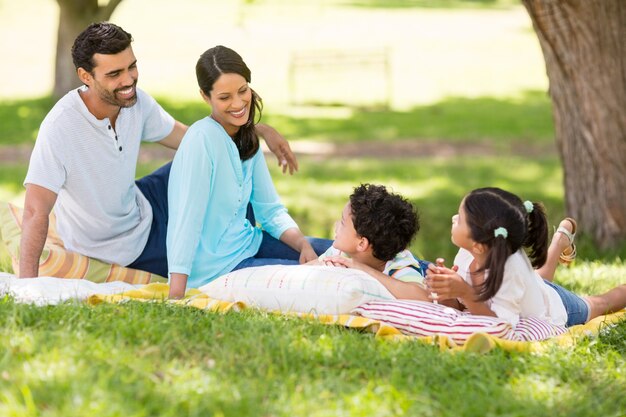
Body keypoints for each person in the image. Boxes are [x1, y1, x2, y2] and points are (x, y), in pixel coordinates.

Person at [19, 22, 297, 279]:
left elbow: (197, 141)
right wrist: (27, 286)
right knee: (210, 261)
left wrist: (259, 130)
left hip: (143, 201)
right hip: (121, 243)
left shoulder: (135, 102)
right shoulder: (61, 128)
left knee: (224, 162)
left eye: (132, 67)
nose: (129, 80)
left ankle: (255, 238)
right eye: (115, 74)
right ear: (85, 76)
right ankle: (250, 259)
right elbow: (34, 210)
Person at [167, 45, 332, 299]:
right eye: (225, 97)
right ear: (205, 96)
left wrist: (303, 245)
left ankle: (413, 273)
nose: (238, 103)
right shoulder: (201, 140)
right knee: (324, 280)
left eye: (242, 91)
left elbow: (270, 211)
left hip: (250, 244)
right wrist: (176, 295)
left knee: (342, 254)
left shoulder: (246, 137)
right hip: (219, 270)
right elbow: (185, 222)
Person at [425, 187, 626, 327]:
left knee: (601, 303)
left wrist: (466, 292)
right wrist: (447, 293)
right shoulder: (467, 254)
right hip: (531, 288)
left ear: (478, 245)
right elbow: (463, 306)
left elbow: (502, 324)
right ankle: (559, 241)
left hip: (556, 308)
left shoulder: (510, 271)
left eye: (459, 219)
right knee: (537, 280)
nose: (453, 218)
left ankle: (558, 242)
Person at [308, 183, 430, 300]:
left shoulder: (399, 266)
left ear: (361, 243)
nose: (336, 225)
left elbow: (424, 297)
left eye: (343, 223)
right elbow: (303, 270)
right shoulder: (341, 252)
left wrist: (361, 269)